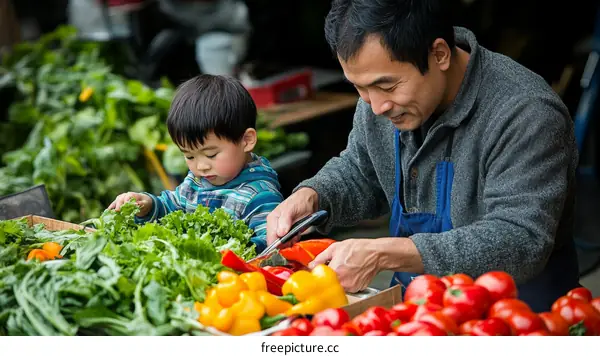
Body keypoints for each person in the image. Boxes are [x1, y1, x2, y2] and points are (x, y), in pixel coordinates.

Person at [265, 0, 580, 312]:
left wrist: (384, 253)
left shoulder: (526, 114)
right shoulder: (382, 98)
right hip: (416, 310)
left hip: (516, 316)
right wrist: (314, 196)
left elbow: (520, 240)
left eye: (386, 86)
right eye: (360, 88)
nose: (376, 106)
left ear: (439, 54)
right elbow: (363, 172)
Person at [108, 74, 284, 253]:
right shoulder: (197, 181)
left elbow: (270, 245)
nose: (201, 166)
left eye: (211, 154)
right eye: (190, 156)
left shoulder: (260, 195)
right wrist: (147, 205)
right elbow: (172, 207)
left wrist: (229, 251)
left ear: (246, 140)